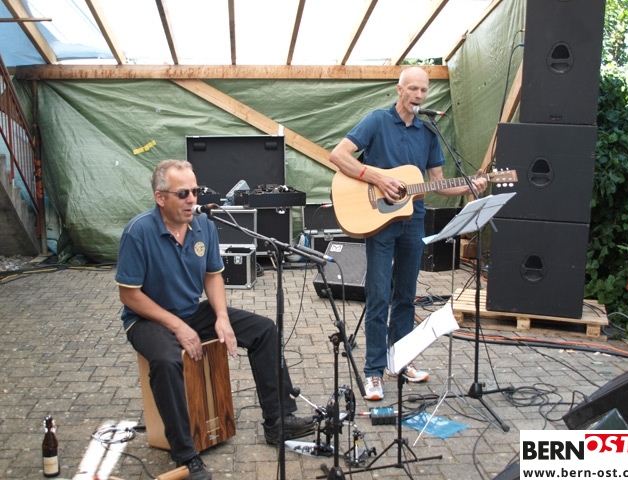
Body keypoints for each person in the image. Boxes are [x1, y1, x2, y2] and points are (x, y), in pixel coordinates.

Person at [115, 159, 314, 480]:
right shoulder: (138, 232)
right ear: (160, 197)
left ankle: (278, 420)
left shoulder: (204, 225)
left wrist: (221, 316)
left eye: (195, 191)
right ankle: (186, 455)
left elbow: (213, 275)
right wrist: (177, 326)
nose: (192, 199)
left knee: (264, 330)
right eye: (183, 193)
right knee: (166, 361)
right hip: (146, 319)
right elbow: (130, 295)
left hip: (191, 311)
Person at [328, 66, 488, 401]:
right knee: (378, 296)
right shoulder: (377, 121)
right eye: (413, 88)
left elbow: (437, 182)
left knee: (405, 295)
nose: (418, 95)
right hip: (379, 222)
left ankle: (398, 361)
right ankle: (373, 371)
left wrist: (470, 185)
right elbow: (338, 155)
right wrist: (377, 177)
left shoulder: (428, 132)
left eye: (423, 90)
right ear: (399, 90)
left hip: (413, 221)